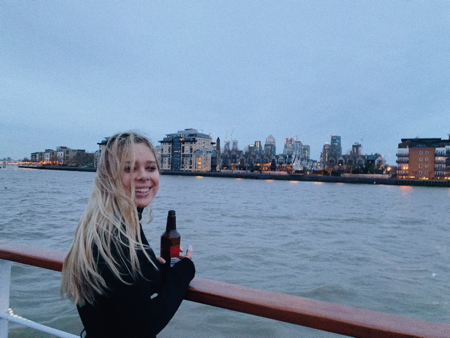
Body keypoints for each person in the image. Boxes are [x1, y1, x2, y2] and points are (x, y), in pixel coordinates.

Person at [61, 131, 195, 338]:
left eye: (150, 167)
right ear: (109, 176)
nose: (143, 176)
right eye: (129, 168)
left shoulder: (103, 223)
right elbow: (144, 324)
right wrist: (184, 271)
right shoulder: (115, 236)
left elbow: (123, 292)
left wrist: (154, 269)